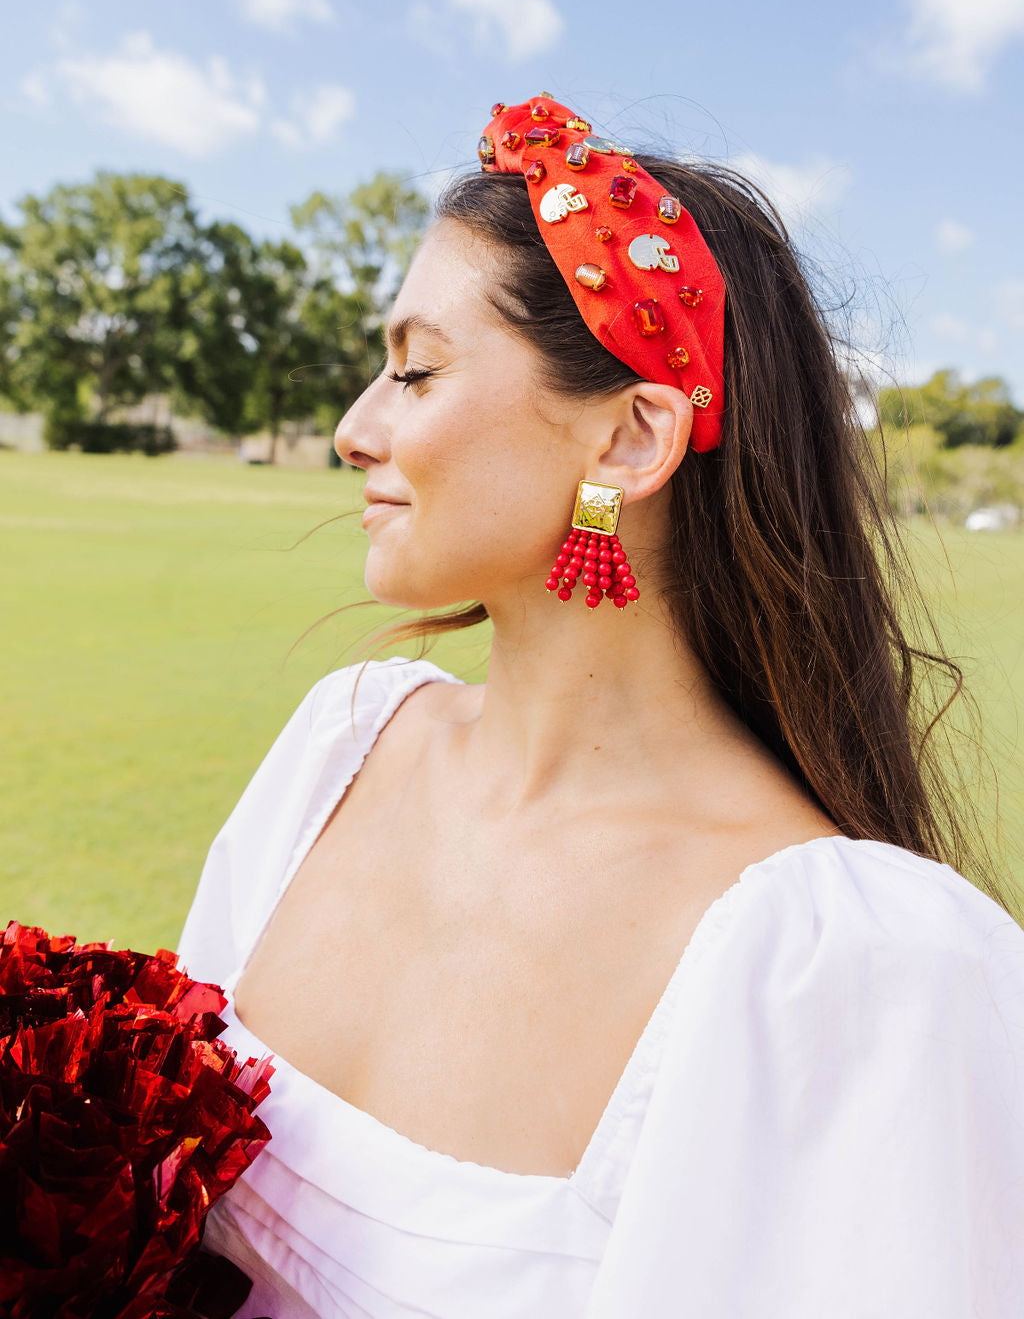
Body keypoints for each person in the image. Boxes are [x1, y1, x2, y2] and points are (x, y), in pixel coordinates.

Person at [178, 95, 1024, 1318]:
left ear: (630, 438)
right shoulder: (337, 752)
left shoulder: (859, 968)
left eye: (415, 368)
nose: (356, 429)